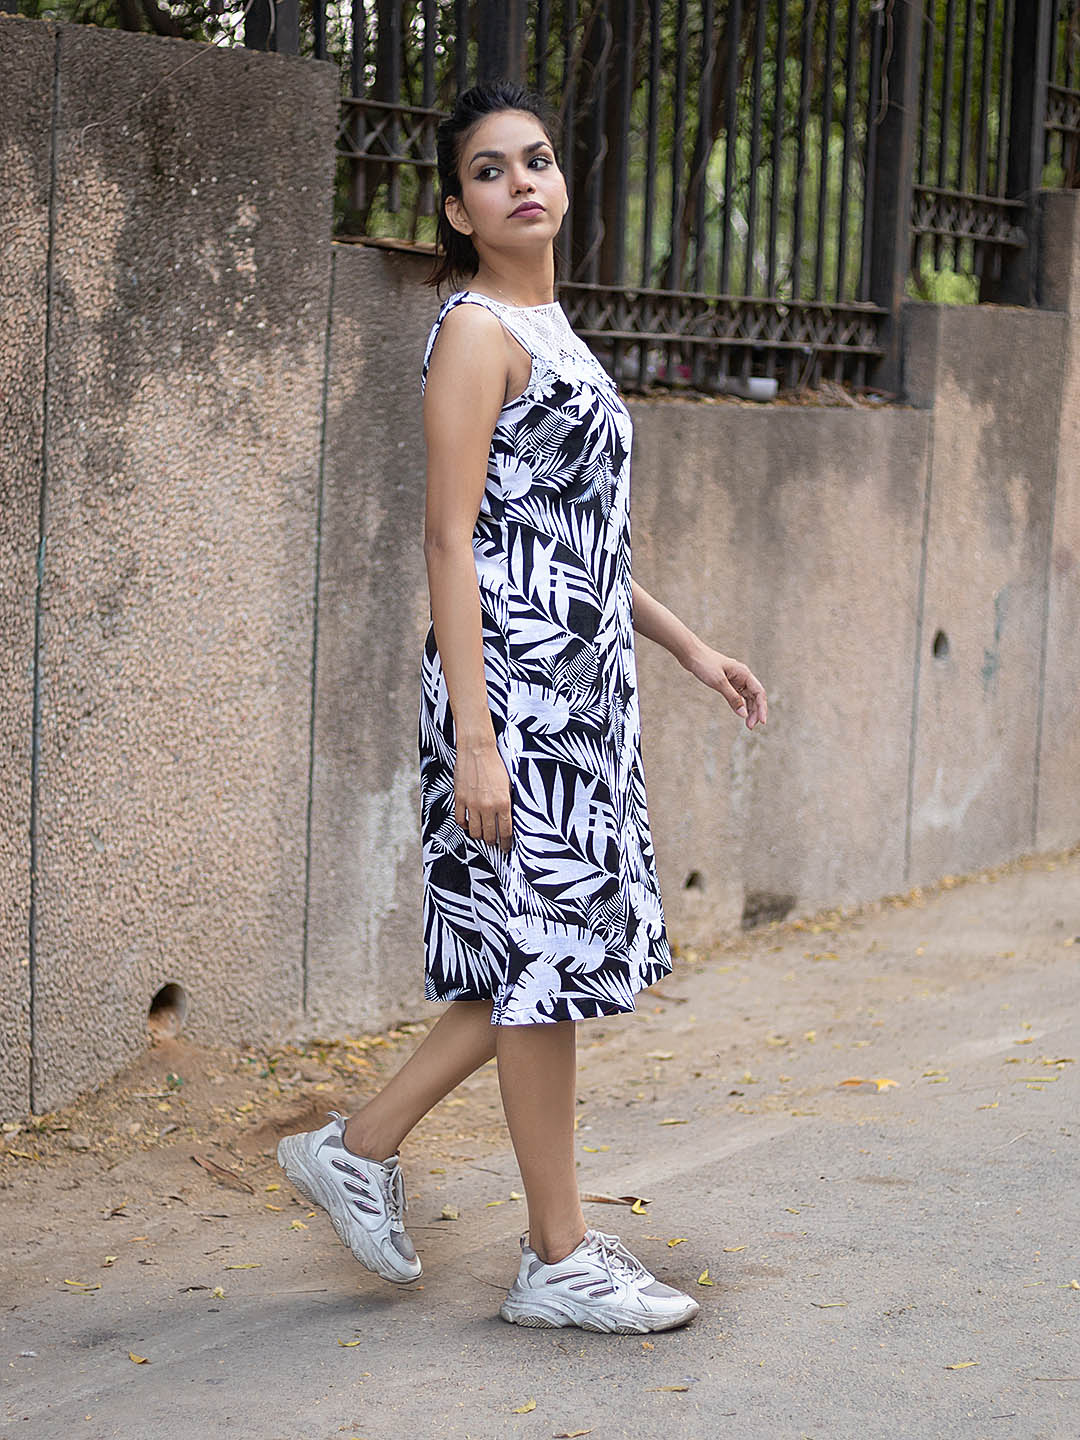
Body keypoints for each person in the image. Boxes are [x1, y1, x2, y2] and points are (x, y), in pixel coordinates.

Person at [278, 78, 767, 1335]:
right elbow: (451, 541)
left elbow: (576, 541)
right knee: (546, 967)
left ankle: (363, 1145)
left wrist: (693, 649)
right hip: (514, 700)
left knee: (538, 957)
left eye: (537, 160)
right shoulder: (474, 332)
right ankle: (557, 1257)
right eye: (491, 171)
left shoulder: (559, 335)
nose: (524, 181)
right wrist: (482, 736)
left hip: (583, 693)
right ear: (458, 207)